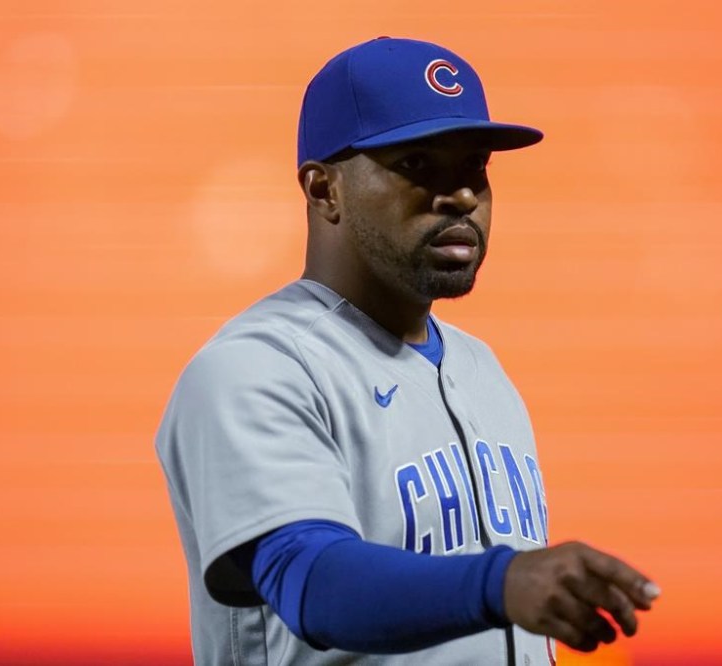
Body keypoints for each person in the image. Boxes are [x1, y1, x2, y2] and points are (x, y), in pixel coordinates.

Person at [155, 36, 660, 666]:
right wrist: (500, 583)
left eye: (475, 166)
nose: (462, 196)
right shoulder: (258, 367)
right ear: (323, 190)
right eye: (418, 164)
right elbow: (310, 581)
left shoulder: (482, 370)